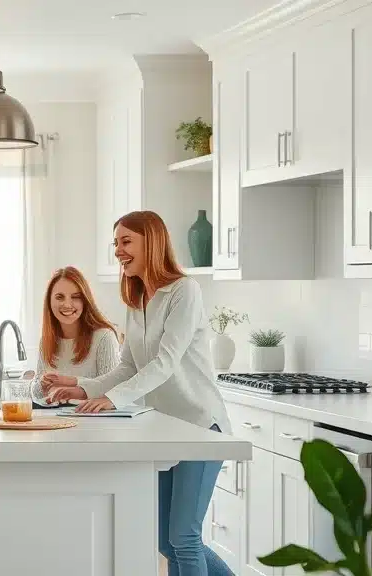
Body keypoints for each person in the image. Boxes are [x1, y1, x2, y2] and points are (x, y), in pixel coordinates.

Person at [48, 211, 233, 576]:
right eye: (115, 242)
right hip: (165, 431)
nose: (118, 250)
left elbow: (165, 362)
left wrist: (114, 399)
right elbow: (127, 368)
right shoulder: (136, 301)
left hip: (199, 427)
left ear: (152, 241)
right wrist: (82, 386)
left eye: (126, 241)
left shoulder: (184, 290)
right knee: (166, 540)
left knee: (184, 538)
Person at [31, 266, 120, 406]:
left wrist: (72, 381)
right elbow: (36, 395)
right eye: (59, 297)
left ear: (85, 301)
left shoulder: (104, 337)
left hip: (94, 422)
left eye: (75, 297)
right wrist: (42, 384)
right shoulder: (47, 341)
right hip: (57, 421)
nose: (67, 304)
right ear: (49, 301)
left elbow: (113, 390)